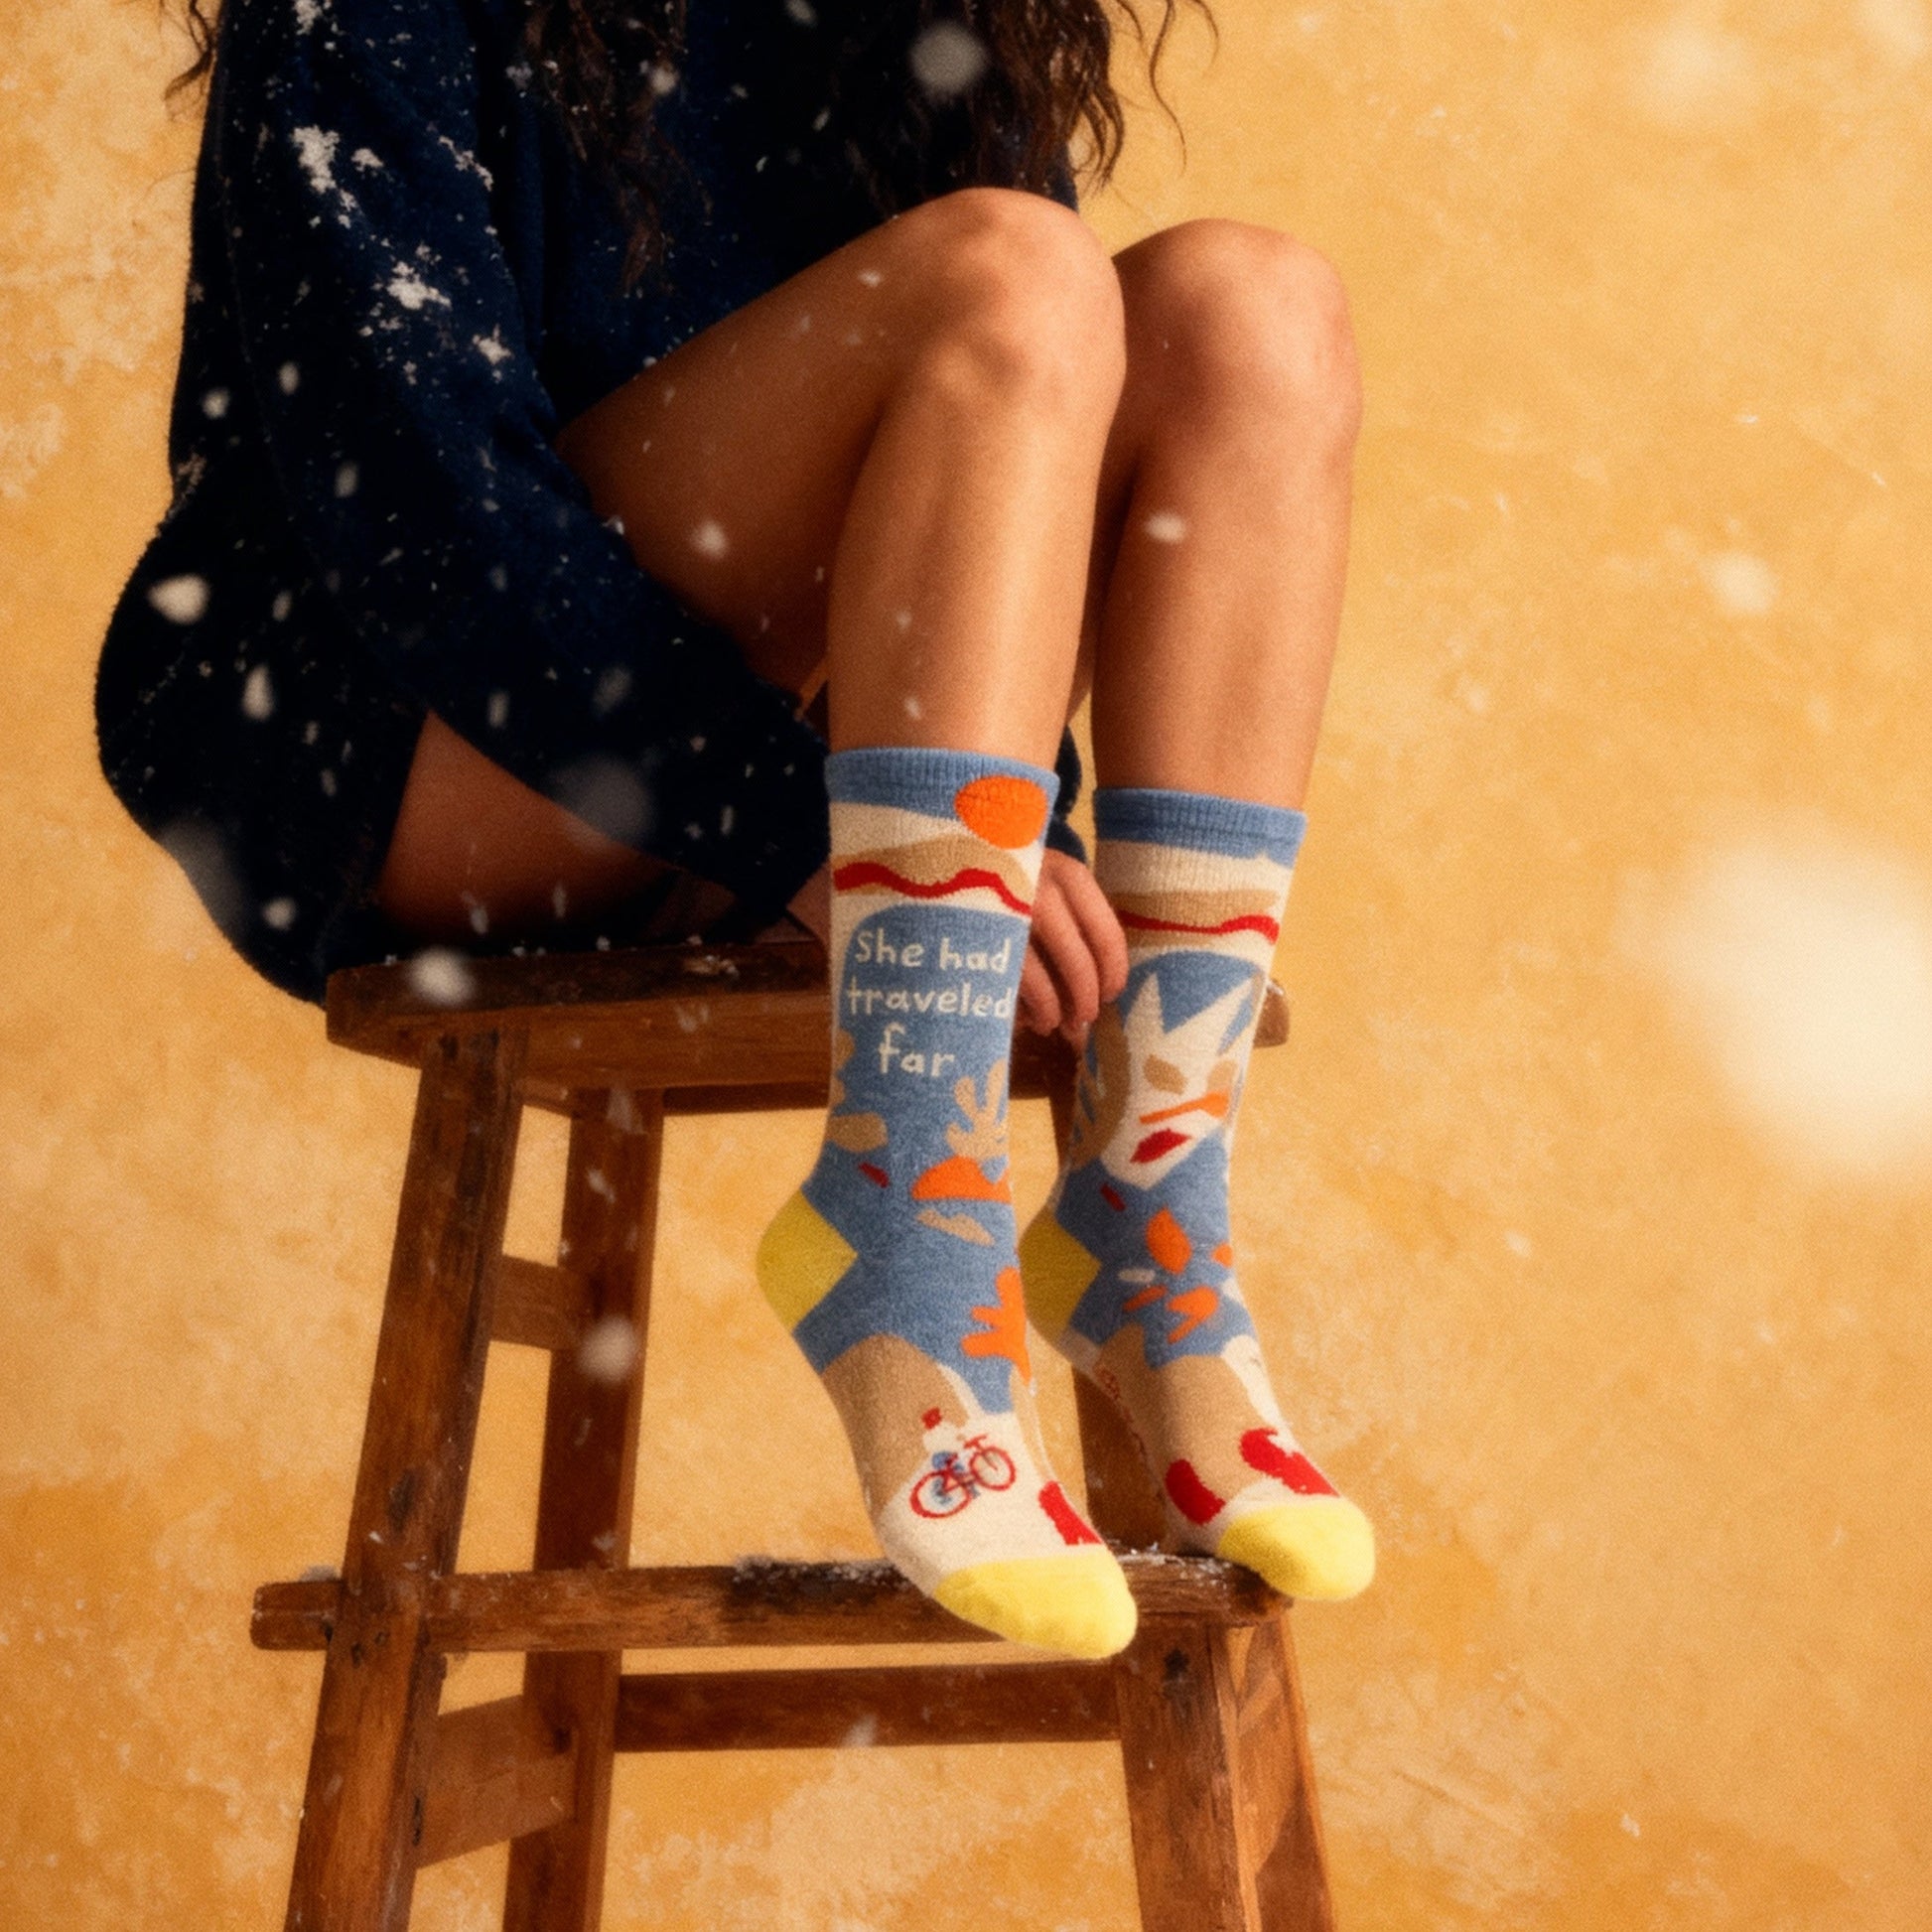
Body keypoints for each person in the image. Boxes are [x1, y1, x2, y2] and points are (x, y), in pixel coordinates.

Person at [96, 0, 1373, 1659]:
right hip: (396, 751)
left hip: (746, 757)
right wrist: (793, 828)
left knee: (1253, 308)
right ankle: (905, 1217)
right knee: (1011, 273)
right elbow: (422, 526)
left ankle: (1152, 1202)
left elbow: (1009, 486)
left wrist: (1014, 832)